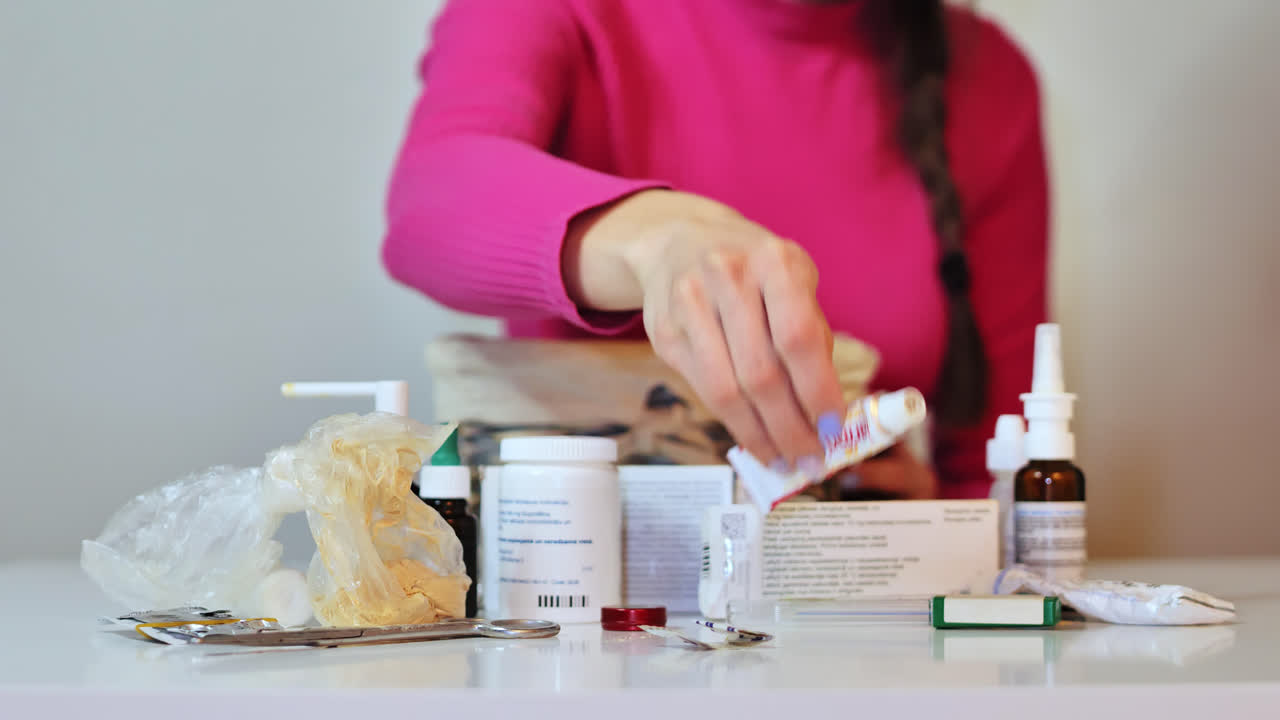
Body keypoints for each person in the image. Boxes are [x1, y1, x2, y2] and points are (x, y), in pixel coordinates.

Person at [382, 0, 1048, 500]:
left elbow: (999, 476)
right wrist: (653, 238)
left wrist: (926, 529)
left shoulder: (986, 78)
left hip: (857, 631)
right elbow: (430, 202)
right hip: (589, 613)